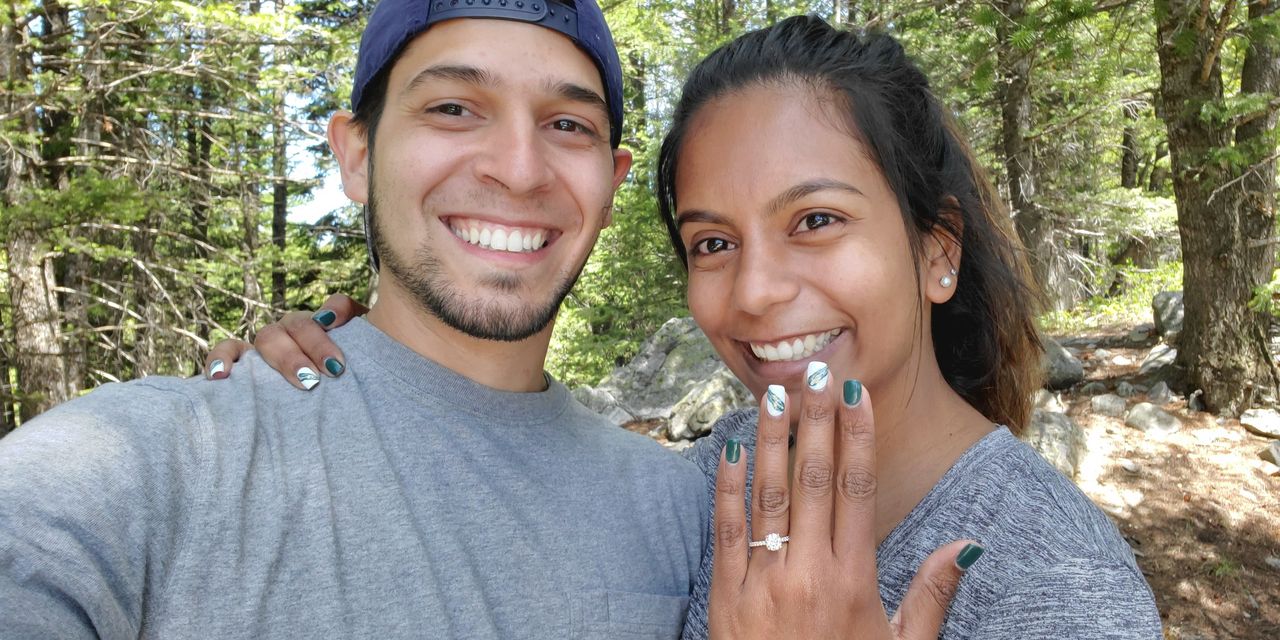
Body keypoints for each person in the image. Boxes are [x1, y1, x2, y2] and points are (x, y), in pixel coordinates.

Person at [220, 15, 1163, 639]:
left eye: (816, 222)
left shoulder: (1054, 580)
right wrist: (360, 364)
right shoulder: (720, 475)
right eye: (713, 242)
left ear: (935, 252)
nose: (753, 292)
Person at [0, 2, 713, 637]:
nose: (520, 170)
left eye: (567, 124)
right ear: (357, 154)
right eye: (453, 108)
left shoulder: (683, 506)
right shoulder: (152, 457)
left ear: (611, 185)